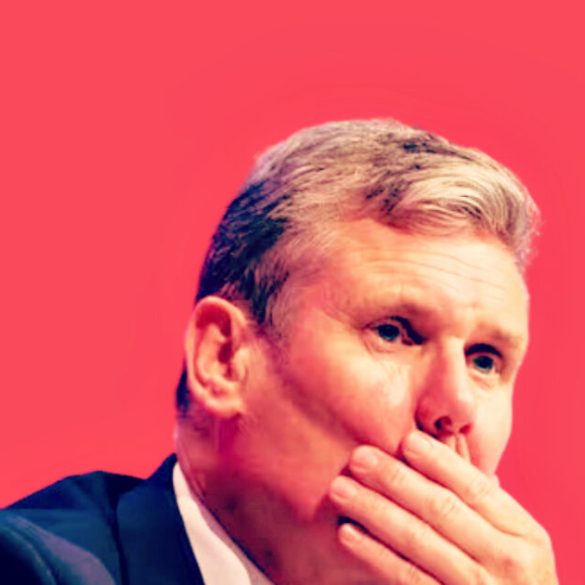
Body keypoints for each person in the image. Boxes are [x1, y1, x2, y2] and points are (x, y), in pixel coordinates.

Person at [0, 119, 558, 584]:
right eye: (393, 332)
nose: (456, 405)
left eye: (484, 359)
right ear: (224, 359)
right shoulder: (32, 568)